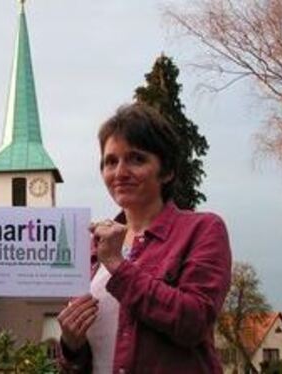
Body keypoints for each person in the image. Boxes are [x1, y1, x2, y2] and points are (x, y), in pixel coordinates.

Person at [56, 103, 231, 373]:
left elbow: (194, 323)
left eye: (136, 159)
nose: (120, 172)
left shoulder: (203, 229)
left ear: (168, 170)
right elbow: (82, 360)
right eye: (110, 161)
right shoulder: (92, 247)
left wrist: (118, 266)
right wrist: (71, 344)